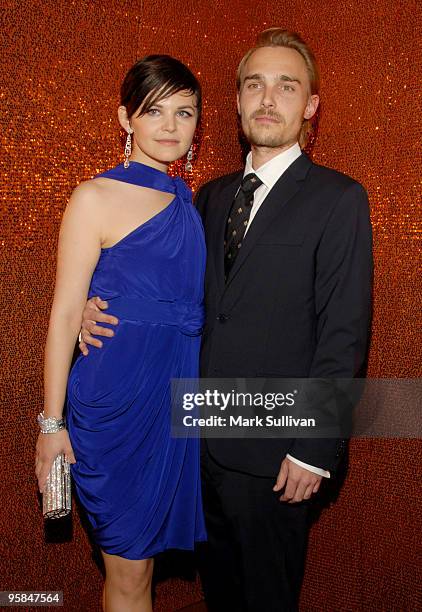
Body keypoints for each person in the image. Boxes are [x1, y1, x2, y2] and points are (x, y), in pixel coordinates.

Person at [79, 29, 373, 612]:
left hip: (277, 455)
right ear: (237, 102)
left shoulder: (339, 198)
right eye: (254, 85)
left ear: (310, 106)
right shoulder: (205, 198)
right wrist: (97, 301)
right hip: (193, 449)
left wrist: (315, 448)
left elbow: (345, 331)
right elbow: (168, 290)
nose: (269, 99)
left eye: (287, 86)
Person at [35, 55, 207, 612]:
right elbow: (64, 316)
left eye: (184, 113)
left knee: (137, 572)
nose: (169, 126)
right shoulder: (94, 197)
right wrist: (51, 425)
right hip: (115, 403)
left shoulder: (191, 204)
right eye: (154, 110)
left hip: (175, 400)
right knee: (131, 569)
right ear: (125, 118)